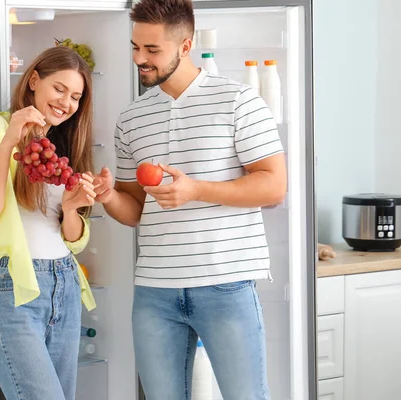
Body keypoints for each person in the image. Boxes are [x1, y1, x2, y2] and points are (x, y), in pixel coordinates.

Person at [93, 0, 287, 399]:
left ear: (185, 45)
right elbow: (135, 210)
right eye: (135, 48)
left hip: (225, 285)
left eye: (152, 50)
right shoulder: (131, 118)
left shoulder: (238, 102)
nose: (139, 59)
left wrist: (196, 189)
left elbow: (273, 186)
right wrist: (109, 195)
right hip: (154, 292)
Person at [0, 46, 97, 400]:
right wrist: (9, 141)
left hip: (64, 283)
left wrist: (72, 208)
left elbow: (73, 239)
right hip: (11, 286)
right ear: (34, 80)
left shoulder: (63, 143)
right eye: (59, 89)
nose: (66, 102)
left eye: (76, 96)